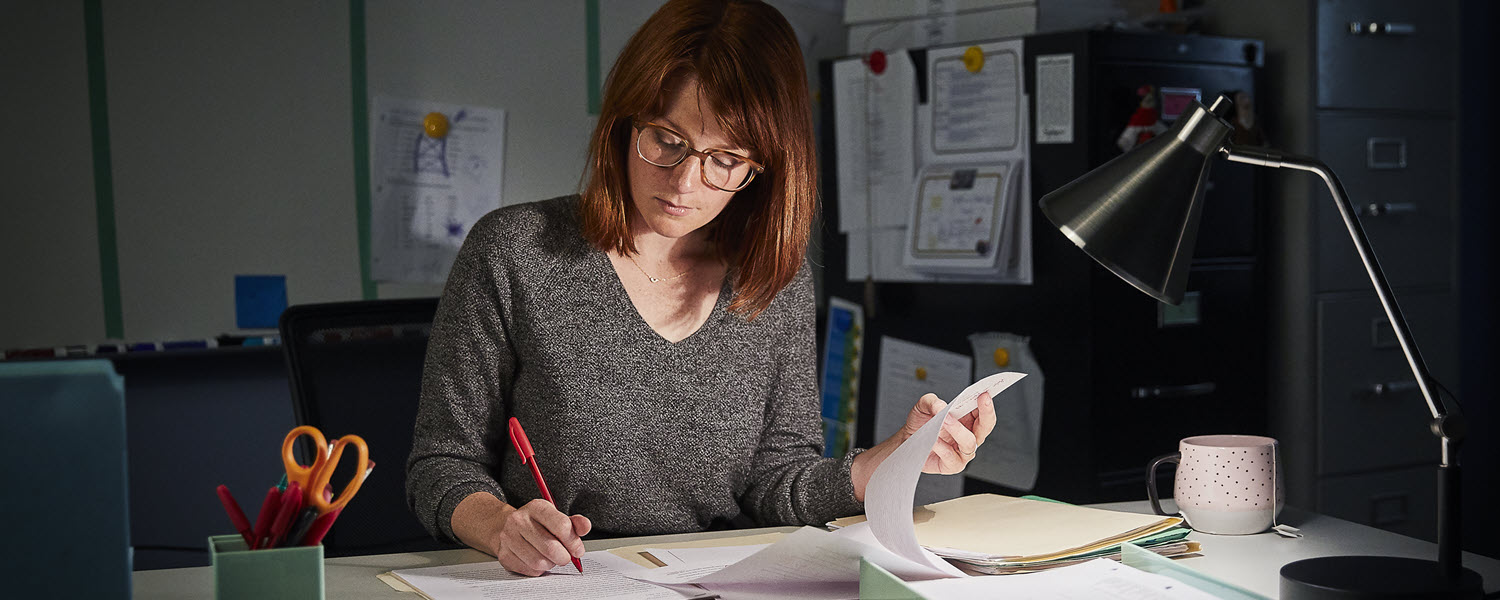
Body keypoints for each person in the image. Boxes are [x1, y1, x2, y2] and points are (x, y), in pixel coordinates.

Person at [405, 0, 998, 577]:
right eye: (666, 139)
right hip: (561, 582)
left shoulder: (775, 281)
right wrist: (504, 525)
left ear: (763, 168)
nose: (685, 181)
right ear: (624, 121)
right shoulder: (515, 251)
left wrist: (888, 461)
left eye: (726, 158)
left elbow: (778, 483)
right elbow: (442, 466)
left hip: (717, 582)